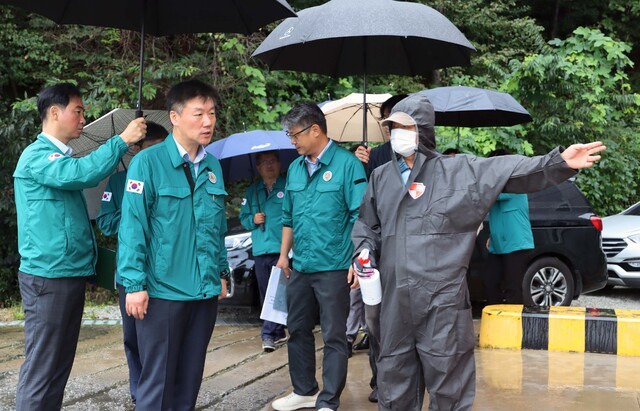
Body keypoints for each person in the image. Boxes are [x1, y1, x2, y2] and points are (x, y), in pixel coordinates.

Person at [351, 93, 605, 411]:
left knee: (450, 390)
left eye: (405, 126)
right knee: (393, 386)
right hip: (393, 304)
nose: (396, 134)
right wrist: (362, 252)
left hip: (440, 304)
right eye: (392, 127)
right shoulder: (381, 178)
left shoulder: (458, 172)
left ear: (423, 131)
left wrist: (556, 163)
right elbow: (366, 225)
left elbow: (509, 170)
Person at [13, 82, 146, 410]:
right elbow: (84, 172)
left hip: (66, 275)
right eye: (78, 110)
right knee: (44, 367)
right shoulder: (37, 157)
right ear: (54, 112)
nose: (83, 117)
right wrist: (122, 141)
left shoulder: (57, 158)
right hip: (49, 277)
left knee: (58, 366)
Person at [117, 79, 229, 411]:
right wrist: (134, 284)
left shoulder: (213, 167)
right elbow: (133, 227)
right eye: (198, 114)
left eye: (211, 113)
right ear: (175, 117)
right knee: (157, 383)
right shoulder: (147, 163)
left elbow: (216, 226)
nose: (208, 122)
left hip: (204, 293)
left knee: (189, 380)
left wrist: (220, 272)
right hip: (162, 293)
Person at [271, 103, 367, 411]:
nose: (292, 141)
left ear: (315, 130)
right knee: (296, 328)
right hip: (301, 265)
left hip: (335, 267)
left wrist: (356, 259)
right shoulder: (296, 169)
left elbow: (360, 216)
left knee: (334, 335)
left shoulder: (347, 165)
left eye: (294, 134)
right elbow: (288, 218)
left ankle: (328, 400)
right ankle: (304, 390)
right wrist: (284, 256)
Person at [95, 121, 168, 405]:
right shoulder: (117, 181)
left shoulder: (172, 176)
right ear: (136, 149)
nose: (156, 155)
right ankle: (140, 394)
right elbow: (104, 220)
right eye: (150, 149)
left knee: (161, 338)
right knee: (133, 338)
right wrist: (131, 214)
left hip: (162, 271)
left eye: (162, 149)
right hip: (129, 271)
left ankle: (161, 392)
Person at [351, 93, 408, 403]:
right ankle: (379, 381)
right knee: (377, 321)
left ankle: (410, 379)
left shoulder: (431, 157)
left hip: (415, 255)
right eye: (389, 123)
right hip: (381, 254)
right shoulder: (374, 157)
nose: (394, 130)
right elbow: (364, 211)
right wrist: (358, 162)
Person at [239, 150, 288, 352]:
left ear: (279, 163)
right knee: (265, 292)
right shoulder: (253, 191)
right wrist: (253, 219)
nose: (269, 166)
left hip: (282, 248)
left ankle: (268, 334)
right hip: (261, 248)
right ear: (258, 168)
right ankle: (277, 332)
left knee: (278, 291)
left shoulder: (288, 186)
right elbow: (243, 217)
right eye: (264, 163)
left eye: (272, 161)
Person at [482, 149, 534, 305]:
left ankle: (514, 326)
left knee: (513, 288)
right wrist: (492, 236)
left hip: (517, 245)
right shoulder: (497, 184)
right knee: (490, 282)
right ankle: (497, 318)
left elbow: (488, 195)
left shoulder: (514, 183)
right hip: (498, 245)